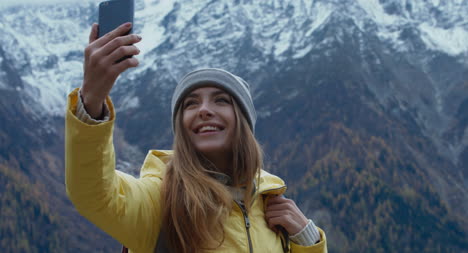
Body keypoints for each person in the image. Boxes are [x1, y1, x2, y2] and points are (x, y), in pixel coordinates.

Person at [65, 22, 327, 253]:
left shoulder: (270, 205)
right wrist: (92, 98)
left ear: (244, 121)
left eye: (221, 100)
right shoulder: (160, 201)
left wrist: (308, 240)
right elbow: (94, 193)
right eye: (190, 104)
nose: (203, 110)